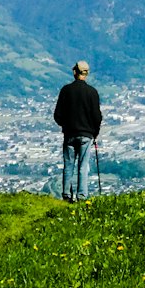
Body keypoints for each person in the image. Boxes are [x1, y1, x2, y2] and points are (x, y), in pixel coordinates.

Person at [53, 60, 102, 202]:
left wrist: (65, 126)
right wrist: (94, 132)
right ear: (86, 74)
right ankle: (82, 196)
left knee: (68, 166)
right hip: (86, 135)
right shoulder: (92, 92)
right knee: (83, 166)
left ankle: (67, 195)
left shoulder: (66, 90)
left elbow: (58, 115)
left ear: (75, 72)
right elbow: (97, 116)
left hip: (69, 134)